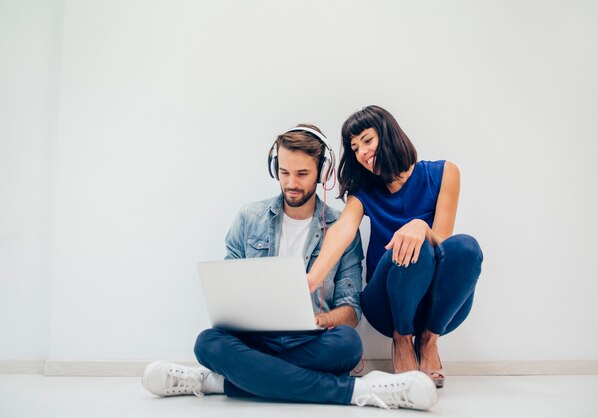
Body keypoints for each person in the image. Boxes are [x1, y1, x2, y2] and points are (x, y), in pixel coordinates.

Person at [141, 124, 439, 410]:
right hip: (257, 341)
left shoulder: (341, 229)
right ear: (275, 169)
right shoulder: (249, 218)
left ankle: (218, 382)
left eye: (302, 173)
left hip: (313, 340)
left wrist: (319, 320)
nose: (292, 183)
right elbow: (227, 290)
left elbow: (351, 311)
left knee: (348, 345)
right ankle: (355, 391)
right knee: (208, 343)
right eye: (284, 172)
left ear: (321, 173)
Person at [307, 106, 483, 388]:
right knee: (410, 248)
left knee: (465, 247)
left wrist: (421, 228)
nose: (361, 153)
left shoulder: (444, 173)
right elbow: (343, 229)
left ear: (387, 134)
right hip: (386, 303)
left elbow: (444, 245)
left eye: (367, 140)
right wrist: (312, 280)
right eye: (354, 148)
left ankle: (428, 340)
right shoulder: (363, 193)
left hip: (435, 305)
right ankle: (402, 340)